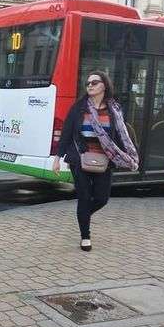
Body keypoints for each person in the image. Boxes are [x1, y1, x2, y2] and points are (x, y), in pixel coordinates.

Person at [53, 71, 139, 252]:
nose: (90, 85)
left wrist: (129, 154)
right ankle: (85, 236)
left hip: (105, 160)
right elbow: (67, 132)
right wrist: (57, 158)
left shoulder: (114, 109)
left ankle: (83, 215)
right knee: (84, 197)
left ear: (104, 85)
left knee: (102, 198)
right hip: (80, 159)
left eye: (94, 82)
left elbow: (122, 134)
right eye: (88, 83)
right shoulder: (79, 107)